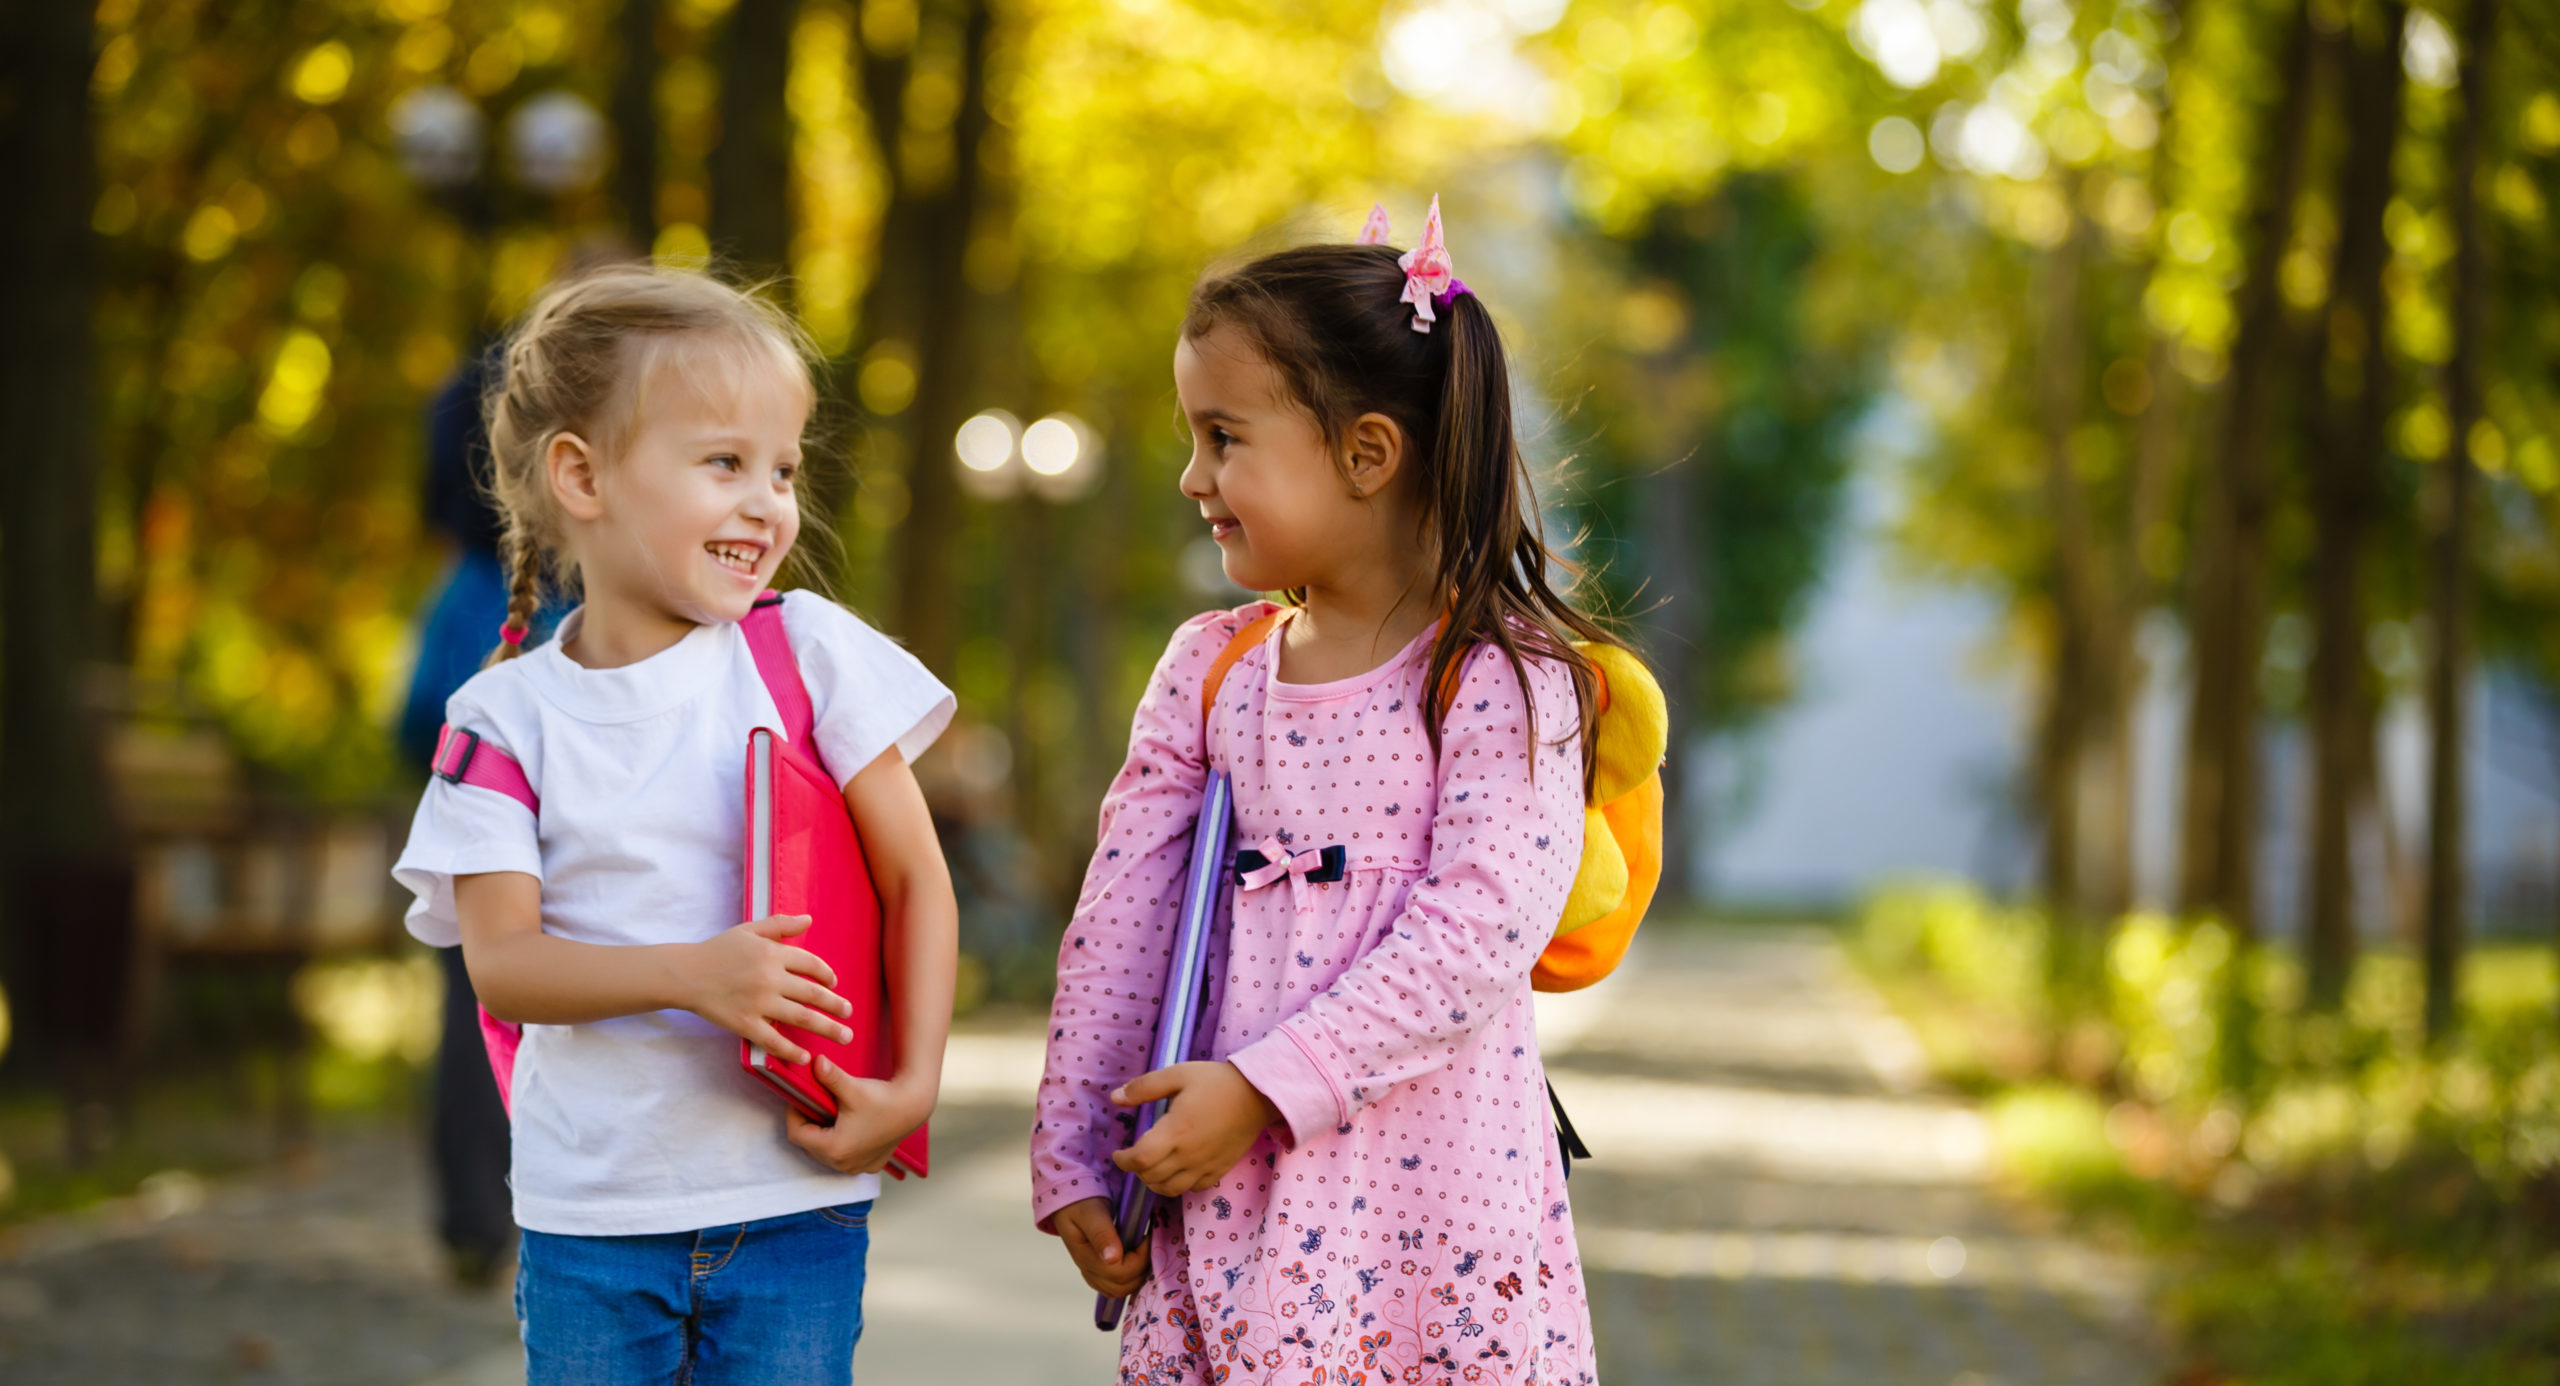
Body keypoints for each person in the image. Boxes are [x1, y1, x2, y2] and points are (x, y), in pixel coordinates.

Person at [1033, 200, 1617, 1385]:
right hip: (1226, 1198)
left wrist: (1264, 1087)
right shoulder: (1211, 671)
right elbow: (1122, 921)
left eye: (1223, 437)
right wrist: (1079, 1151)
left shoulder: (1500, 681)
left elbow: (1478, 930)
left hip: (1428, 1210)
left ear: (1365, 454)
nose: (1193, 476)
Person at [390, 264, 958, 1383]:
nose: (769, 502)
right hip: (591, 1218)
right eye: (723, 463)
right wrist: (696, 976)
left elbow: (916, 881)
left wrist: (914, 1084)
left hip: (795, 1200)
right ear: (582, 475)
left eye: (783, 468)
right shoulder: (502, 719)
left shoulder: (810, 655)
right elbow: (504, 967)